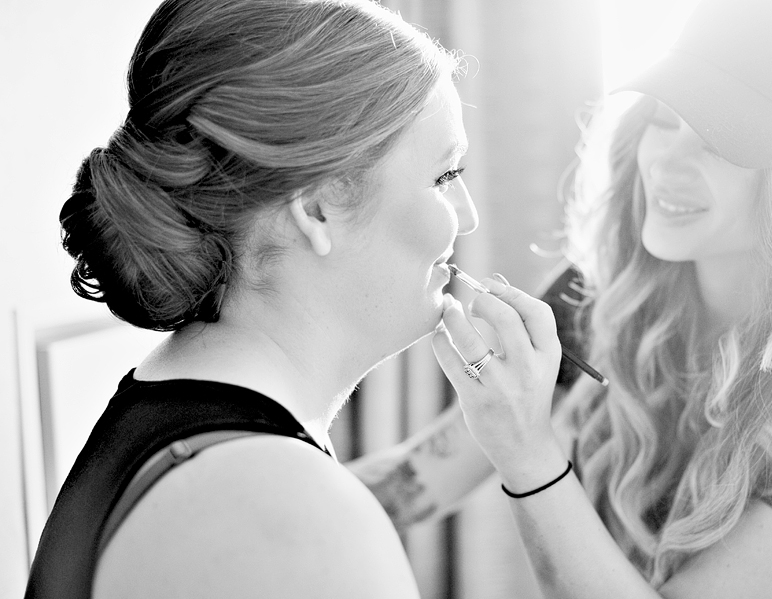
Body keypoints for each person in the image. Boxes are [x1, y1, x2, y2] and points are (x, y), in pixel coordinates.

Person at [351, 0, 772, 597]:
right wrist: (256, 462)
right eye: (663, 121)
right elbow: (416, 482)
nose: (666, 162)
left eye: (720, 140)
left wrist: (528, 455)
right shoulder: (603, 295)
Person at [24, 0, 478, 597]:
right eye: (444, 177)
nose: (466, 218)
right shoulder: (291, 516)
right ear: (315, 207)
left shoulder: (195, 429)